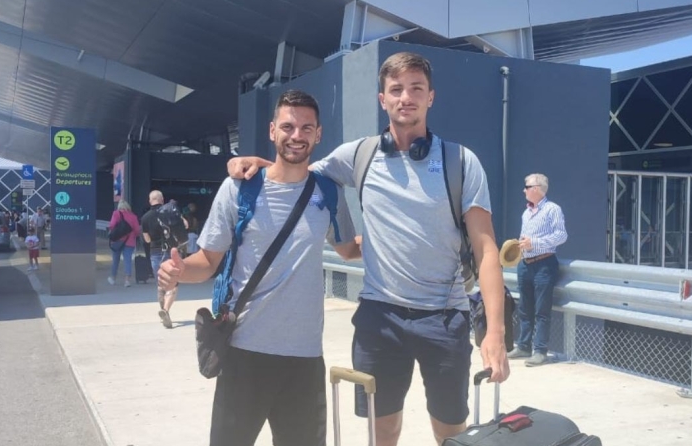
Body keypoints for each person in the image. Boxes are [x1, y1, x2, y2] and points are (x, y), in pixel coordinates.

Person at [228, 52, 509, 446]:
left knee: (450, 431)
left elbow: (487, 250)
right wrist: (255, 162)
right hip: (379, 318)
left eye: (416, 88)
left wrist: (494, 332)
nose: (405, 97)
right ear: (382, 99)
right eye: (396, 89)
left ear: (431, 97)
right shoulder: (359, 156)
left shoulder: (461, 162)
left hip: (445, 318)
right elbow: (295, 169)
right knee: (382, 430)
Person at [158, 89, 359, 446]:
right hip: (243, 353)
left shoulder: (328, 193)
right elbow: (207, 261)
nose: (296, 135)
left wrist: (396, 234)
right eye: (288, 126)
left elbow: (347, 249)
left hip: (304, 358)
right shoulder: (239, 189)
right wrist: (179, 271)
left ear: (318, 134)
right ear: (272, 130)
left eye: (306, 128)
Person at [507, 173, 567, 367]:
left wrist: (534, 243)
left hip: (544, 263)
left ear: (537, 188)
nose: (523, 190)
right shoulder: (526, 213)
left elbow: (561, 235)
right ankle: (523, 346)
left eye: (527, 187)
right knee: (525, 308)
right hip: (525, 264)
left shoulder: (552, 209)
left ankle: (540, 350)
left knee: (542, 310)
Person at [141, 190, 178, 328]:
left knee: (161, 283)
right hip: (169, 251)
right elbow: (184, 225)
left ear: (150, 200)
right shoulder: (168, 213)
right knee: (173, 284)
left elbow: (147, 239)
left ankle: (163, 310)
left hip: (154, 252)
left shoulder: (145, 218)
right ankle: (165, 310)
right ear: (162, 200)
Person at [107, 200, 141, 287]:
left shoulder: (116, 214)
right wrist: (134, 236)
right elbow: (137, 230)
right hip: (130, 241)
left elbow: (111, 225)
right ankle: (127, 281)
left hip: (117, 241)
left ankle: (113, 278)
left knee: (115, 260)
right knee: (127, 260)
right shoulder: (133, 216)